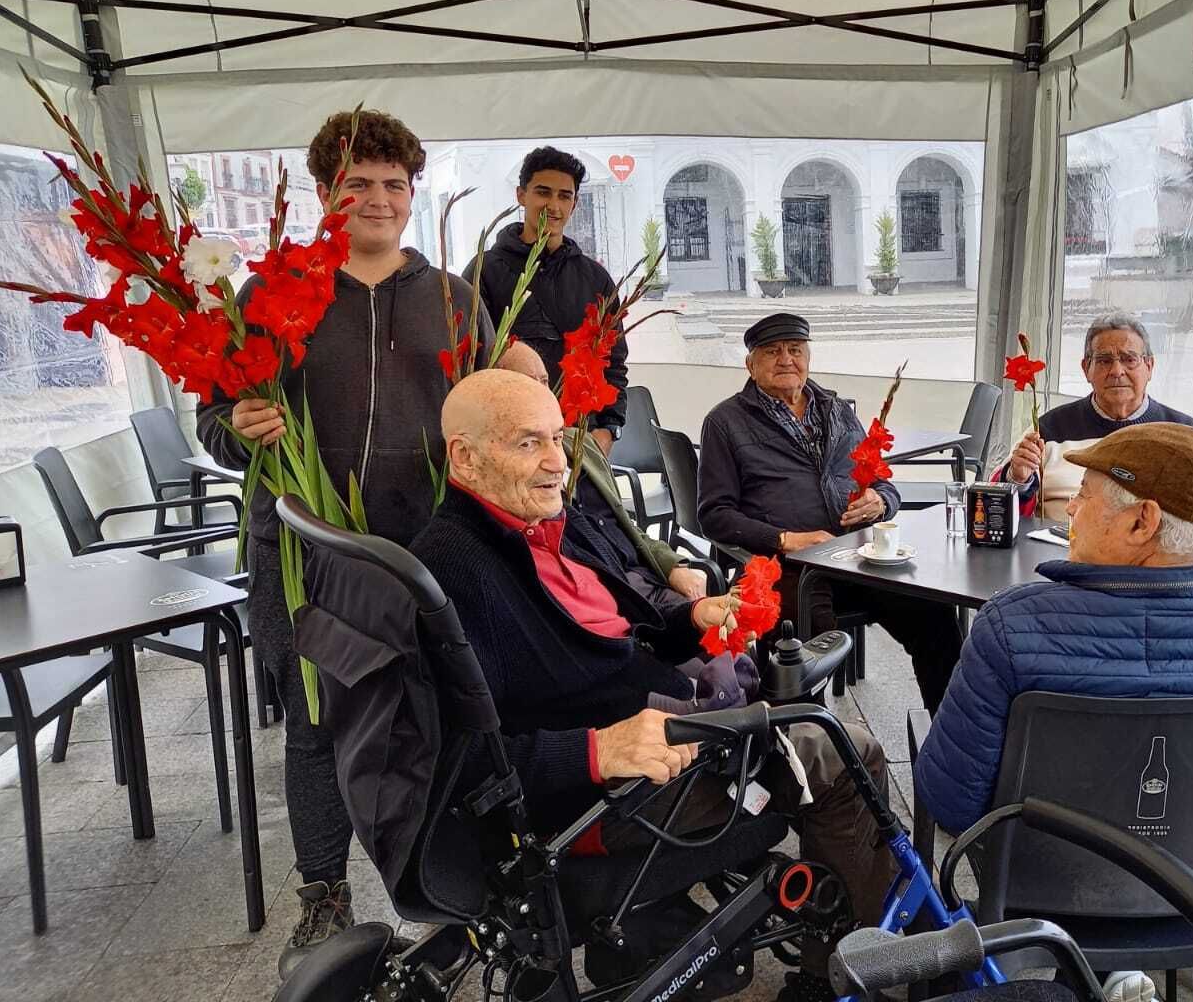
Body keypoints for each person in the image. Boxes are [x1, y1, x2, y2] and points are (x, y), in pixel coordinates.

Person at [409, 369, 897, 1001]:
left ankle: (850, 929)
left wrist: (691, 617)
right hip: (596, 795)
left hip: (659, 722)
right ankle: (857, 969)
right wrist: (598, 750)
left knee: (800, 713)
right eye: (528, 443)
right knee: (845, 751)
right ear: (464, 457)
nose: (558, 461)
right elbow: (453, 759)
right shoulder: (455, 572)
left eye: (559, 438)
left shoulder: (551, 521)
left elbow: (622, 631)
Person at [197, 109, 492, 978]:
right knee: (317, 727)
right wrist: (238, 425)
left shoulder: (455, 300)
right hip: (304, 559)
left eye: (394, 184)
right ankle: (323, 898)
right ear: (326, 195)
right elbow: (213, 422)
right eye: (357, 183)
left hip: (424, 553)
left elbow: (488, 419)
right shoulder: (266, 295)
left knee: (439, 715)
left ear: (413, 195)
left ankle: (448, 884)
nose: (378, 199)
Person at [916, 423, 1193, 1002]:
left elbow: (951, 800)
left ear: (1143, 522)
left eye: (1083, 494)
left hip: (1044, 884)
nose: (1072, 511)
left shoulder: (1012, 628)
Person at [696, 312, 964, 713]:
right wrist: (785, 539)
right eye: (772, 351)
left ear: (809, 357)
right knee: (806, 648)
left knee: (936, 617)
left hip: (859, 558)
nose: (786, 359)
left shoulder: (837, 411)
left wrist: (881, 500)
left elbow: (883, 482)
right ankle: (810, 746)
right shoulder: (725, 422)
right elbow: (713, 514)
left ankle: (950, 740)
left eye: (796, 350)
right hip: (791, 568)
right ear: (750, 364)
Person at [496, 339, 708, 605]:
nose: (542, 395)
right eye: (526, 385)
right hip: (597, 598)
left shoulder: (582, 445)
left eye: (544, 382)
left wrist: (672, 565)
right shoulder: (500, 472)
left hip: (641, 580)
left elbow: (626, 524)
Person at [468, 145, 627, 455]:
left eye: (564, 196)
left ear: (575, 203)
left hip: (577, 442)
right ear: (521, 195)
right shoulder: (483, 272)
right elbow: (472, 365)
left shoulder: (596, 279)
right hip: (510, 441)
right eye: (543, 192)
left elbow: (614, 363)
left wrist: (608, 429)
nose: (553, 205)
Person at [999, 313, 1193, 520]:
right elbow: (995, 506)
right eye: (1104, 361)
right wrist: (1017, 479)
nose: (1117, 371)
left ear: (1149, 367)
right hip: (1060, 548)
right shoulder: (1048, 430)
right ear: (1086, 369)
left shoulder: (1186, 435)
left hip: (1153, 550)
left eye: (1129, 359)